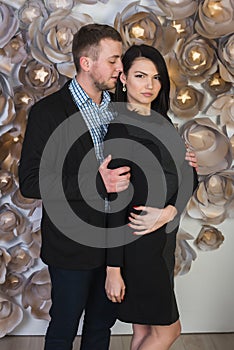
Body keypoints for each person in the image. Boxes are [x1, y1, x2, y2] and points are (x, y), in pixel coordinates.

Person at [18, 23, 132, 350]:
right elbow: (29, 181)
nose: (119, 68)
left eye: (120, 60)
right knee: (64, 328)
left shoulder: (121, 107)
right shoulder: (48, 112)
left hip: (116, 242)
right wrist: (95, 180)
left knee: (100, 330)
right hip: (70, 245)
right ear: (86, 63)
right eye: (112, 61)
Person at [104, 44, 198, 350]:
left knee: (145, 332)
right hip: (138, 248)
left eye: (156, 78)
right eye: (140, 76)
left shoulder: (162, 123)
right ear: (123, 80)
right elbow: (113, 205)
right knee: (168, 331)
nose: (150, 85)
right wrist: (113, 269)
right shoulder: (120, 131)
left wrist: (171, 210)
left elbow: (186, 179)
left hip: (160, 244)